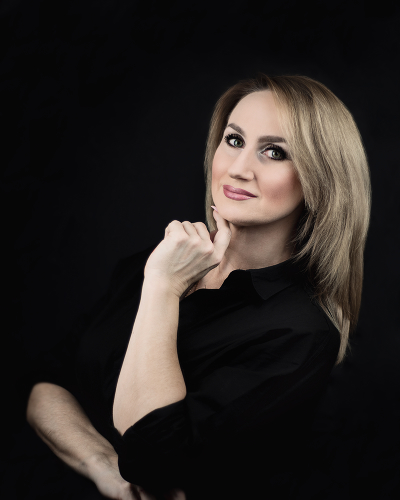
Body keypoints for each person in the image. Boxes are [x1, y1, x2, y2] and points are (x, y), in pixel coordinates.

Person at [23, 74, 371, 500]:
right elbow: (45, 383)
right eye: (234, 140)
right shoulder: (156, 263)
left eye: (275, 152)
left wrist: (163, 289)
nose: (238, 168)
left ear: (320, 180)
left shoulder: (300, 333)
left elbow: (150, 461)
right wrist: (101, 464)